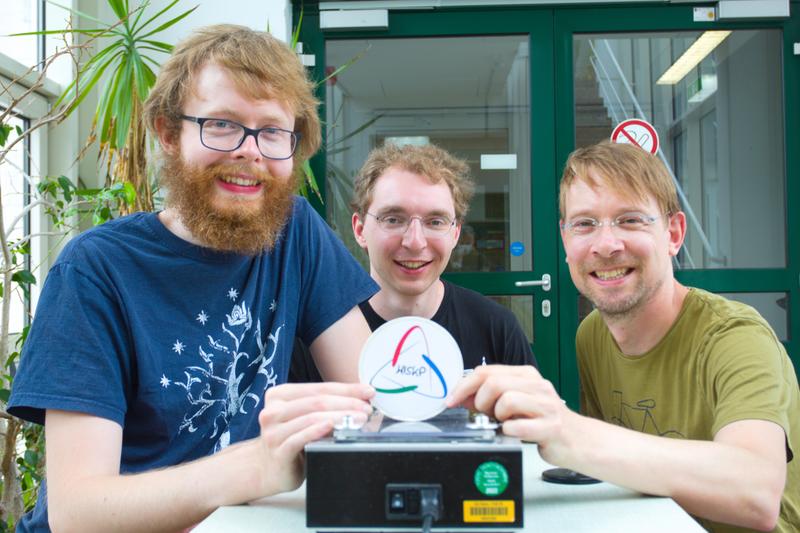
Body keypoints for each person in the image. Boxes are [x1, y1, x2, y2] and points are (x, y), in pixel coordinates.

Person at [7, 25, 379, 532]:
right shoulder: (95, 271)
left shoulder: (297, 233)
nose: (251, 151)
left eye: (272, 131)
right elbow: (78, 513)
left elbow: (375, 401)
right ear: (167, 133)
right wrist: (253, 467)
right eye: (222, 125)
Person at [447, 141, 799, 532]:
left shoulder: (736, 337)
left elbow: (757, 492)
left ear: (674, 233)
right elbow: (619, 470)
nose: (606, 244)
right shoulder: (592, 335)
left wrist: (569, 430)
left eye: (630, 220)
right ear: (565, 240)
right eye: (584, 224)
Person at [290, 143, 536, 383]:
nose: (415, 242)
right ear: (360, 229)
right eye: (394, 219)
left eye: (435, 221)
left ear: (456, 233)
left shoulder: (496, 329)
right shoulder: (316, 339)